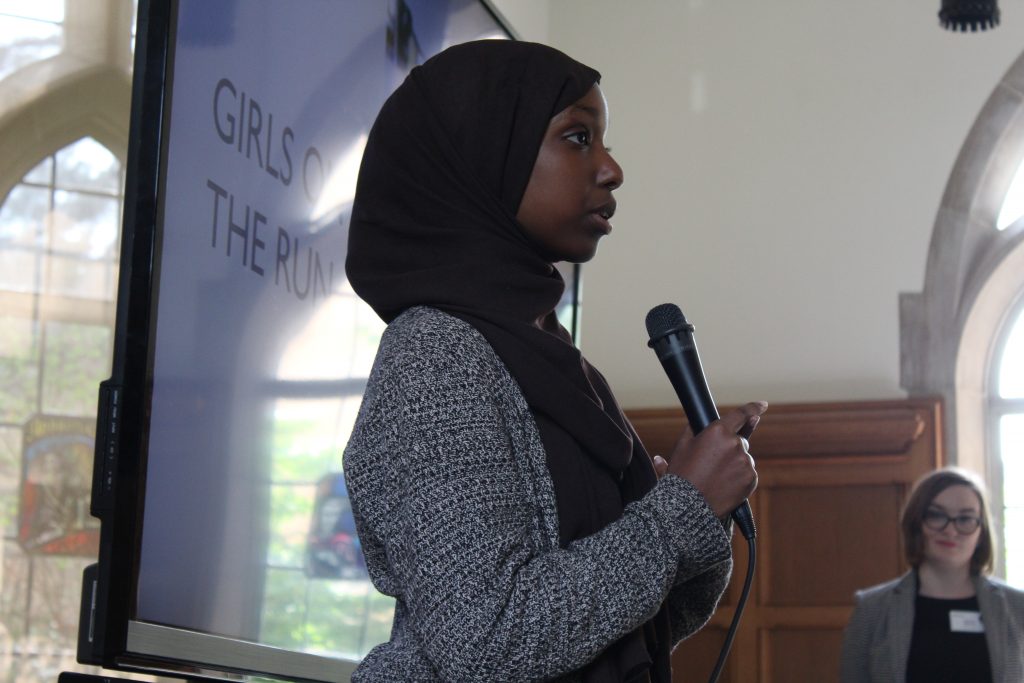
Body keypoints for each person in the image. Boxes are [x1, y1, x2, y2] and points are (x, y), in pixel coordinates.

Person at [342, 39, 763, 682]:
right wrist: (678, 509)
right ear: (487, 158)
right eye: (577, 138)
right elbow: (486, 642)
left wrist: (693, 507)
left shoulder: (558, 363)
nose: (612, 168)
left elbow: (632, 636)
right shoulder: (435, 357)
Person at [839, 467, 1024, 682]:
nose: (951, 530)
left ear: (981, 533)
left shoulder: (1017, 606)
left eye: (965, 519)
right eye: (936, 515)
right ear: (916, 523)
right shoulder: (872, 609)